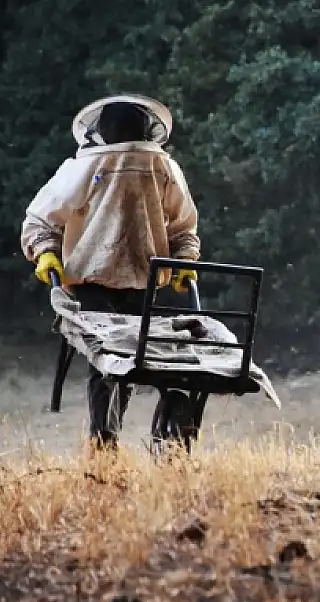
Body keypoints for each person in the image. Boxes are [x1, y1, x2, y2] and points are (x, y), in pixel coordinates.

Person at [19, 93, 201, 455]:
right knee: (129, 357)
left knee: (112, 360)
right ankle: (113, 440)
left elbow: (40, 220)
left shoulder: (83, 166)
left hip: (93, 281)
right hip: (144, 282)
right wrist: (184, 259)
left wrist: (45, 252)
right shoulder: (164, 166)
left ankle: (104, 443)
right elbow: (185, 228)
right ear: (147, 129)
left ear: (100, 131)